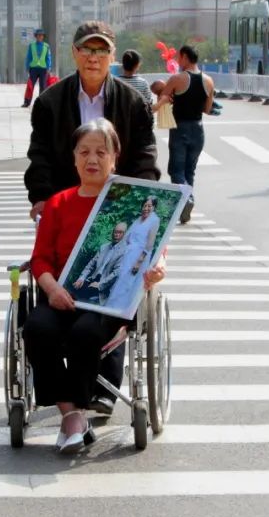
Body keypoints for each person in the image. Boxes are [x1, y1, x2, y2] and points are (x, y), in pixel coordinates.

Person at [25, 21, 160, 417]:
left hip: (116, 204)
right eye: (87, 50)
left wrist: (139, 202)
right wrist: (43, 200)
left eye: (101, 51)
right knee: (51, 307)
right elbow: (40, 158)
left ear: (112, 56)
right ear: (74, 53)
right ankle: (68, 396)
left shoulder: (133, 103)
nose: (94, 57)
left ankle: (102, 389)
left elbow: (146, 161)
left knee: (112, 292)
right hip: (69, 203)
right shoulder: (50, 102)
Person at [25, 119, 165, 453]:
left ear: (115, 157)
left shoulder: (130, 202)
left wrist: (159, 269)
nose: (93, 159)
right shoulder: (58, 203)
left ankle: (74, 415)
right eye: (84, 151)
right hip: (61, 295)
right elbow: (40, 259)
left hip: (108, 300)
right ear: (73, 158)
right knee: (36, 328)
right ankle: (70, 411)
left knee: (85, 334)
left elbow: (157, 248)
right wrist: (52, 289)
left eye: (101, 152)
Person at [153, 45, 214, 225]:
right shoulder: (209, 81)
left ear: (185, 57)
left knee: (176, 170)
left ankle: (187, 200)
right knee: (190, 171)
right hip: (199, 128)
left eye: (179, 58)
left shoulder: (177, 79)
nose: (178, 61)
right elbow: (208, 109)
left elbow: (163, 98)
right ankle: (184, 208)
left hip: (180, 128)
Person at [103, 196, 161, 314]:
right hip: (128, 254)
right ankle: (112, 308)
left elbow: (149, 244)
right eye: (144, 205)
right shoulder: (138, 219)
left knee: (128, 283)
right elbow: (128, 236)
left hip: (139, 257)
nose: (146, 208)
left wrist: (138, 263)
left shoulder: (154, 220)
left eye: (149, 206)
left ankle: (122, 311)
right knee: (120, 279)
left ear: (154, 207)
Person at [73, 221, 128, 305]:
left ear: (124, 234)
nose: (116, 234)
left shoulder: (124, 252)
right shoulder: (103, 247)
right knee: (75, 287)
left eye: (120, 232)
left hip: (105, 284)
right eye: (115, 232)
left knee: (84, 295)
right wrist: (81, 278)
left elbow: (116, 273)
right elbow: (90, 265)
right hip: (93, 279)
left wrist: (100, 284)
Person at [22, 28, 52, 108]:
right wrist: (27, 67)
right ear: (36, 36)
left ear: (43, 37)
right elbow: (28, 57)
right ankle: (26, 102)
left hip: (43, 69)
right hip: (33, 69)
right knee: (30, 86)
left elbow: (48, 58)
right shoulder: (31, 46)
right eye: (38, 35)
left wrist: (49, 68)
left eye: (41, 35)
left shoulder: (46, 46)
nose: (40, 37)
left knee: (43, 87)